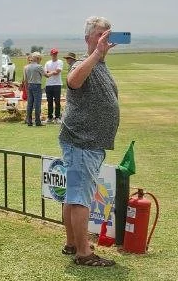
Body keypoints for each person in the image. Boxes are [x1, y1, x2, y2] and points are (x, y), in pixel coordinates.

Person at [59, 16, 120, 268]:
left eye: (108, 35)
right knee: (81, 197)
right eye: (99, 35)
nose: (104, 39)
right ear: (88, 39)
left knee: (74, 196)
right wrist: (96, 54)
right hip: (82, 141)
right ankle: (84, 253)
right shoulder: (86, 62)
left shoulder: (99, 63)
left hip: (87, 142)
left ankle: (73, 242)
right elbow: (73, 81)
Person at [21, 51, 45, 126]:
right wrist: (52, 73)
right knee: (37, 104)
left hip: (29, 86)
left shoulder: (26, 67)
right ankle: (38, 121)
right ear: (38, 59)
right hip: (37, 85)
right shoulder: (39, 66)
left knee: (29, 104)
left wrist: (26, 89)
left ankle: (29, 121)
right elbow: (46, 75)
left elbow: (25, 80)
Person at [43, 48, 64, 124]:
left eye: (55, 54)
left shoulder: (60, 62)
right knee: (49, 101)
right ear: (51, 54)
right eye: (53, 54)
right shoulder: (47, 63)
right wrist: (50, 73)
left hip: (57, 84)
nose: (54, 55)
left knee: (57, 101)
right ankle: (50, 117)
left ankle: (57, 117)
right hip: (49, 84)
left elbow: (57, 71)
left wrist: (49, 73)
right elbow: (45, 72)